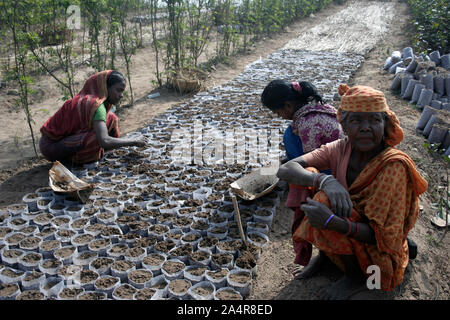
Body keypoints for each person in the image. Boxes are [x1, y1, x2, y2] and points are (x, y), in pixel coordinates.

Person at [277, 84, 428, 299]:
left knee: (324, 203)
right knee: (308, 178)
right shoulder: (340, 148)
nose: (366, 128)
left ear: (385, 125)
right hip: (347, 221)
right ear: (344, 125)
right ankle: (327, 256)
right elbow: (286, 169)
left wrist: (330, 222)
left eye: (374, 120)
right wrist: (325, 179)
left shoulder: (393, 166)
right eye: (356, 120)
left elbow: (383, 236)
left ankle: (355, 275)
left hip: (376, 243)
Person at [261, 79, 344, 274]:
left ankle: (324, 256)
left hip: (333, 174)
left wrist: (292, 172)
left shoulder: (308, 124)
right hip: (335, 162)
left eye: (277, 111)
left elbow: (312, 161)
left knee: (290, 137)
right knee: (290, 135)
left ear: (288, 105)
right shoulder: (317, 108)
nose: (279, 116)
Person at [39, 70, 145, 165]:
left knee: (111, 118)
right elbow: (104, 141)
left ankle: (93, 153)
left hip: (66, 141)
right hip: (51, 146)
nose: (121, 95)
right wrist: (133, 141)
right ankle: (71, 161)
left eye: (122, 91)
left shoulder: (96, 104)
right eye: (118, 90)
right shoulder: (96, 105)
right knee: (95, 139)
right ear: (105, 88)